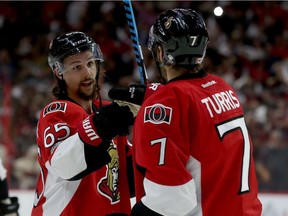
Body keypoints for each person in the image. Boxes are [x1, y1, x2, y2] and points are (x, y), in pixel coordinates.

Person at [109, 8, 262, 215]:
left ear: (160, 52)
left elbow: (171, 199)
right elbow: (193, 101)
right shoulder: (223, 87)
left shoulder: (164, 105)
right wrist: (155, 93)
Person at [31, 31, 134, 216]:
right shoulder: (56, 112)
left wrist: (150, 113)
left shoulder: (107, 113)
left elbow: (130, 178)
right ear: (58, 72)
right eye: (76, 67)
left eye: (90, 63)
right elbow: (64, 165)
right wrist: (99, 128)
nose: (87, 73)